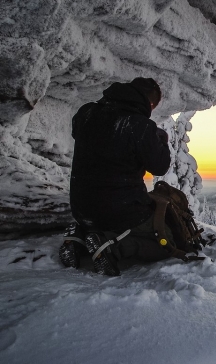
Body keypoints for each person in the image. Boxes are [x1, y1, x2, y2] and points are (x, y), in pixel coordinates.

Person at [61, 77, 175, 275]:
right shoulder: (139, 126)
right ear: (148, 102)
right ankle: (112, 248)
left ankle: (78, 238)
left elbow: (89, 135)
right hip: (120, 211)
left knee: (101, 212)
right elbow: (160, 166)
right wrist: (161, 141)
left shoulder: (86, 112)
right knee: (169, 240)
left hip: (81, 209)